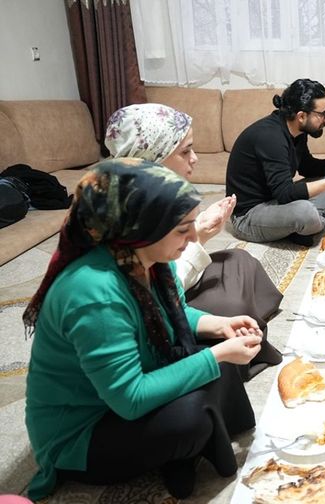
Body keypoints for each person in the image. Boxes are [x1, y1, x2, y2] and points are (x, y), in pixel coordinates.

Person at [23, 160, 264, 500]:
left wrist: (220, 326)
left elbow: (171, 315)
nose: (195, 237)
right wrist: (217, 353)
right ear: (141, 228)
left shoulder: (142, 259)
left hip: (117, 401)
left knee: (220, 362)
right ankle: (180, 453)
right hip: (83, 434)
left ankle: (181, 455)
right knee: (193, 411)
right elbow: (130, 398)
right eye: (183, 229)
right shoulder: (93, 292)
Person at [105, 103, 283, 380]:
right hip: (161, 310)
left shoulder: (161, 197)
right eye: (185, 151)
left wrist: (198, 232)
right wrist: (198, 236)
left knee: (239, 258)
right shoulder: (125, 216)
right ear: (152, 157)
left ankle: (243, 323)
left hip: (171, 296)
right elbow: (163, 291)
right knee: (233, 306)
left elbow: (166, 280)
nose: (195, 159)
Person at [226, 78, 325, 246]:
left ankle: (302, 227)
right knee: (306, 211)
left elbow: (306, 166)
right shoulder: (271, 137)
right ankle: (321, 223)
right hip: (249, 216)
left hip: (276, 202)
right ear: (301, 116)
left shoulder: (296, 130)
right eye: (322, 114)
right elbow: (285, 193)